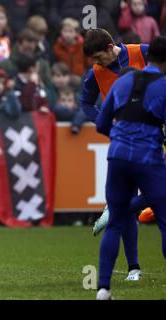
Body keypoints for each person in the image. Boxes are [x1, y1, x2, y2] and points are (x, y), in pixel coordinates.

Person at [95, 36, 166, 300]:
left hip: (117, 156)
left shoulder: (123, 80)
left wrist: (122, 136)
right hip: (148, 157)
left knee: (115, 222)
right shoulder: (164, 85)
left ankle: (102, 289)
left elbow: (102, 122)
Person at [80, 28, 153, 281]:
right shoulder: (95, 74)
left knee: (152, 196)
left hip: (155, 134)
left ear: (111, 48)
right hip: (129, 141)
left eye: (99, 57)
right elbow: (85, 103)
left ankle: (117, 208)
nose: (96, 63)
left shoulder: (142, 53)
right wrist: (108, 125)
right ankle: (133, 267)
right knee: (147, 195)